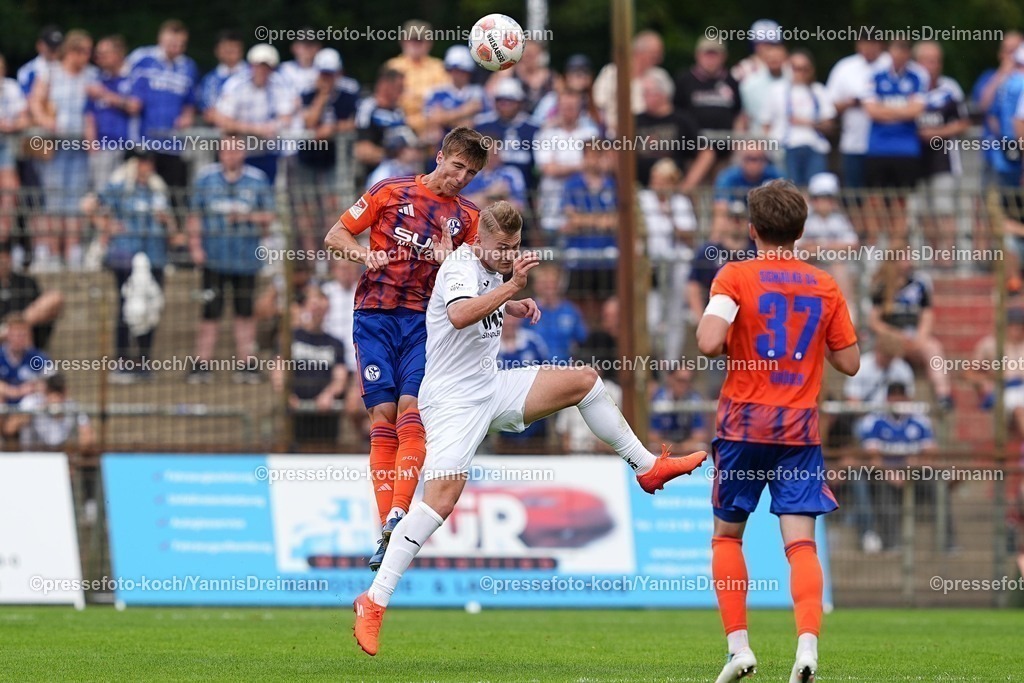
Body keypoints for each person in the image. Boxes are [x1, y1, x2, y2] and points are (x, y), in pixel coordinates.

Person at [352, 201, 708, 656]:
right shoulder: (462, 263)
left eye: (515, 247)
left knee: (585, 381)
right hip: (452, 402)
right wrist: (514, 286)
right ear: (479, 238)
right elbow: (460, 313)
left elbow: (479, 300)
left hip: (492, 386)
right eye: (502, 248)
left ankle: (646, 468)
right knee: (440, 500)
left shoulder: (489, 264)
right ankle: (374, 601)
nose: (509, 255)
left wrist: (514, 299)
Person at [695, 179, 860, 683]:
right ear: (801, 230)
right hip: (799, 428)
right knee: (802, 545)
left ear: (752, 229)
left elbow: (706, 342)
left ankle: (739, 649)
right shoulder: (825, 285)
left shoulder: (734, 276)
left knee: (727, 537)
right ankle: (806, 650)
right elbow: (850, 363)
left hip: (744, 423)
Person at [324, 127, 486, 570]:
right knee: (383, 416)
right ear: (439, 157)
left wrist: (451, 260)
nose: (460, 178)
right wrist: (363, 255)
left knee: (411, 410)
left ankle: (398, 512)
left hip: (421, 323)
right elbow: (335, 235)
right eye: (456, 167)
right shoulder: (389, 191)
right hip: (373, 316)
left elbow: (473, 282)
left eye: (470, 173)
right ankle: (387, 525)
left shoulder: (467, 218)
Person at [187, 140, 274, 384]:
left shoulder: (257, 180)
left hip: (245, 259)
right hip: (214, 259)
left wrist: (246, 217)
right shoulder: (206, 179)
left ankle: (246, 363)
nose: (231, 155)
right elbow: (195, 215)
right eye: (226, 150)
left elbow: (270, 215)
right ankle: (201, 363)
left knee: (245, 313)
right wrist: (195, 247)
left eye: (236, 150)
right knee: (209, 313)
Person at [84, 150, 172, 383]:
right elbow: (89, 204)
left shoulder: (158, 190)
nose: (147, 165)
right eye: (142, 161)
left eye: (150, 161)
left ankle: (144, 360)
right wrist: (107, 226)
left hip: (155, 256)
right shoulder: (120, 188)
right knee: (127, 307)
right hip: (125, 256)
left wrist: (168, 223)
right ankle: (122, 360)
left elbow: (171, 224)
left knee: (151, 307)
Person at [29, 29, 96, 270]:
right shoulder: (50, 72)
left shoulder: (91, 76)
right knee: (53, 199)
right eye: (84, 51)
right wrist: (46, 121)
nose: (88, 57)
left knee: (75, 201)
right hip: (54, 145)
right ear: (72, 51)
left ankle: (73, 252)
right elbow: (35, 102)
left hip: (79, 145)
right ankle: (53, 253)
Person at [127, 20, 199, 213]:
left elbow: (190, 102)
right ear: (161, 38)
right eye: (171, 44)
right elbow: (126, 91)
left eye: (180, 45)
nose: (176, 49)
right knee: (144, 197)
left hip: (174, 145)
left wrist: (187, 115)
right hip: (144, 142)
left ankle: (174, 241)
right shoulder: (141, 58)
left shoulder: (188, 66)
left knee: (174, 197)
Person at [293, 48, 359, 252]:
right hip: (308, 156)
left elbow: (352, 124)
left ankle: (334, 258)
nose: (327, 78)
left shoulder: (348, 93)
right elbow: (309, 121)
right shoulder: (308, 92)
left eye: (331, 73)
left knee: (333, 207)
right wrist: (322, 96)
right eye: (324, 73)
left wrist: (331, 130)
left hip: (334, 159)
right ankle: (313, 259)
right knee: (308, 210)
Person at [862, 40, 927, 243]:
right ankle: (874, 251)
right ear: (889, 51)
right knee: (874, 201)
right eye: (896, 48)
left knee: (901, 201)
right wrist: (903, 112)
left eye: (904, 49)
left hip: (906, 150)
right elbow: (871, 111)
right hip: (878, 149)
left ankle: (896, 251)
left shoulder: (918, 76)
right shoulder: (875, 75)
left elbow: (917, 110)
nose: (900, 53)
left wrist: (886, 111)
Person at [868, 254, 952, 410]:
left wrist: (920, 338)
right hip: (891, 338)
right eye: (904, 258)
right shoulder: (882, 287)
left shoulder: (919, 284)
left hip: (914, 338)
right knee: (888, 348)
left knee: (933, 348)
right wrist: (893, 335)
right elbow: (874, 321)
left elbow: (927, 315)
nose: (908, 261)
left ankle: (943, 395)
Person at [271, 284, 349, 446]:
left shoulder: (336, 343)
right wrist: (287, 395)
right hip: (294, 413)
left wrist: (329, 394)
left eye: (322, 307)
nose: (317, 312)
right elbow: (278, 371)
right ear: (305, 306)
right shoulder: (290, 338)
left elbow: (340, 378)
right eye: (314, 306)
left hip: (325, 414)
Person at [913, 41, 970, 259]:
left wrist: (939, 132)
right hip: (914, 161)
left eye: (936, 61)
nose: (933, 65)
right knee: (921, 212)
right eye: (928, 60)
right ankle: (929, 258)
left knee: (944, 210)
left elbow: (964, 123)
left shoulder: (950, 88)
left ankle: (947, 259)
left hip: (943, 160)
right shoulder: (909, 87)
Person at [210, 43, 298, 184]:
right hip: (238, 156)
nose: (261, 71)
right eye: (258, 66)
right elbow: (221, 120)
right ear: (251, 66)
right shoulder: (236, 85)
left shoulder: (280, 85)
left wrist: (274, 126)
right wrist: (256, 130)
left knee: (267, 194)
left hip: (268, 153)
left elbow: (287, 116)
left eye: (266, 67)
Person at [761, 50, 835, 187]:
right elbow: (766, 124)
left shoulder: (818, 90)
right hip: (785, 147)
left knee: (816, 188)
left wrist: (808, 123)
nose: (799, 73)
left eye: (804, 69)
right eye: (795, 68)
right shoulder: (776, 90)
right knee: (788, 189)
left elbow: (829, 124)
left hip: (814, 146)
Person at [826, 38, 890, 190]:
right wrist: (851, 103)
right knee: (855, 193)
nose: (868, 48)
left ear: (880, 44)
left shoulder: (890, 64)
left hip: (885, 144)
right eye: (864, 43)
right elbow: (829, 104)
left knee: (882, 194)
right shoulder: (845, 67)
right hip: (853, 143)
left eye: (873, 43)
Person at [85, 35, 139, 193]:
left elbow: (135, 106)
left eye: (104, 54)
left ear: (119, 54)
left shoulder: (134, 77)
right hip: (102, 149)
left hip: (129, 148)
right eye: (98, 54)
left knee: (126, 193)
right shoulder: (98, 79)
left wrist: (105, 95)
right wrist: (91, 144)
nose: (98, 58)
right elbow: (89, 116)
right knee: (102, 194)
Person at [384, 19, 449, 137]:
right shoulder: (393, 66)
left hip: (433, 126)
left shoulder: (439, 67)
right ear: (403, 41)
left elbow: (445, 99)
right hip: (400, 124)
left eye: (419, 40)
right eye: (411, 39)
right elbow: (387, 98)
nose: (415, 44)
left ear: (429, 43)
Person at [5, 372, 94, 449]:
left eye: (59, 392)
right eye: (51, 391)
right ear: (45, 391)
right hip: (32, 456)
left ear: (65, 392)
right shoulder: (31, 402)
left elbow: (87, 437)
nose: (55, 397)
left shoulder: (72, 407)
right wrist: (34, 413)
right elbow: (9, 429)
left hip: (61, 456)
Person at [0, 241, 63, 350]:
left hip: (29, 342)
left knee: (55, 297)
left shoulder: (25, 282)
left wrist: (14, 327)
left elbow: (54, 300)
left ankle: (12, 330)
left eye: (4, 259)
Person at [0, 312, 51, 435]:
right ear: (8, 335)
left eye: (23, 335)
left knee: (33, 401)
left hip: (27, 408)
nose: (19, 339)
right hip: (6, 404)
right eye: (16, 334)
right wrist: (17, 391)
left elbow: (52, 382)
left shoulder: (38, 357)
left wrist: (36, 386)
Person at [354, 67, 407, 179]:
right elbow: (362, 150)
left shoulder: (398, 112)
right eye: (399, 88)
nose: (402, 93)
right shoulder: (368, 108)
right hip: (376, 172)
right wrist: (392, 156)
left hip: (401, 168)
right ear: (385, 85)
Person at [528, 263, 587, 363]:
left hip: (565, 365)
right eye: (544, 283)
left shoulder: (570, 310)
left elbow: (581, 338)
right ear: (536, 285)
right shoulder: (528, 310)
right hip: (536, 367)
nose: (549, 287)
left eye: (552, 283)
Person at [0, 54, 30, 243]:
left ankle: (4, 240)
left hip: (6, 146)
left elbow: (24, 118)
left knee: (11, 191)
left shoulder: (10, 87)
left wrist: (9, 126)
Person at [649, 368, 711, 454]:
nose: (683, 385)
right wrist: (672, 448)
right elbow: (653, 436)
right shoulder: (658, 399)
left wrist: (681, 448)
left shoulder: (695, 400)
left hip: (687, 447)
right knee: (653, 447)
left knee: (702, 447)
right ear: (670, 379)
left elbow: (699, 435)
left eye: (687, 381)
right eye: (680, 380)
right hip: (665, 447)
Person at [197, 30, 248, 120]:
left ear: (241, 50)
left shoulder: (252, 75)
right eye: (225, 48)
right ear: (217, 51)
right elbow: (207, 109)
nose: (229, 53)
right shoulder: (210, 80)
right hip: (218, 130)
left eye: (233, 48)